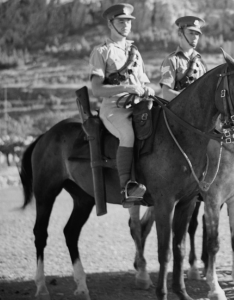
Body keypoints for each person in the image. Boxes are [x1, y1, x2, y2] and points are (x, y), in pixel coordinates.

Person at [89, 3, 155, 207]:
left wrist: (148, 90)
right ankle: (127, 187)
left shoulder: (135, 51)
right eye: (121, 21)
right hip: (113, 109)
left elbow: (144, 83)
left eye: (128, 21)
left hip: (138, 106)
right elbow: (97, 89)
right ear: (110, 23)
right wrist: (127, 88)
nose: (126, 25)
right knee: (128, 135)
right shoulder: (101, 52)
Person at [159, 16, 207, 101]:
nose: (195, 37)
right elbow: (166, 94)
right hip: (178, 112)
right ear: (180, 33)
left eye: (197, 33)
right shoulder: (171, 60)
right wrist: (190, 98)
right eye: (191, 33)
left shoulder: (201, 63)